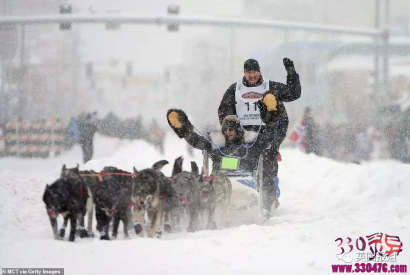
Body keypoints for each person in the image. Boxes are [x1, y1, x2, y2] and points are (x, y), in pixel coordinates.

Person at [217, 58, 301, 217]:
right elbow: (224, 111)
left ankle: (267, 206)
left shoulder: (271, 87)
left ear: (259, 71)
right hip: (241, 140)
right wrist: (230, 128)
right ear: (244, 73)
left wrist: (291, 73)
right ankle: (231, 197)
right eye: (249, 72)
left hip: (265, 138)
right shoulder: (235, 89)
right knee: (230, 165)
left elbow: (293, 93)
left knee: (267, 171)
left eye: (254, 72)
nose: (252, 75)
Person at [167, 106, 280, 220]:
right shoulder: (216, 143)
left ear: (238, 129)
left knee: (260, 187)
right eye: (225, 130)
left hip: (245, 179)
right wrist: (184, 130)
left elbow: (268, 137)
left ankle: (259, 213)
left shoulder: (251, 143)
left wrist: (271, 115)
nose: (228, 132)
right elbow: (196, 141)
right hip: (219, 180)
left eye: (231, 129)